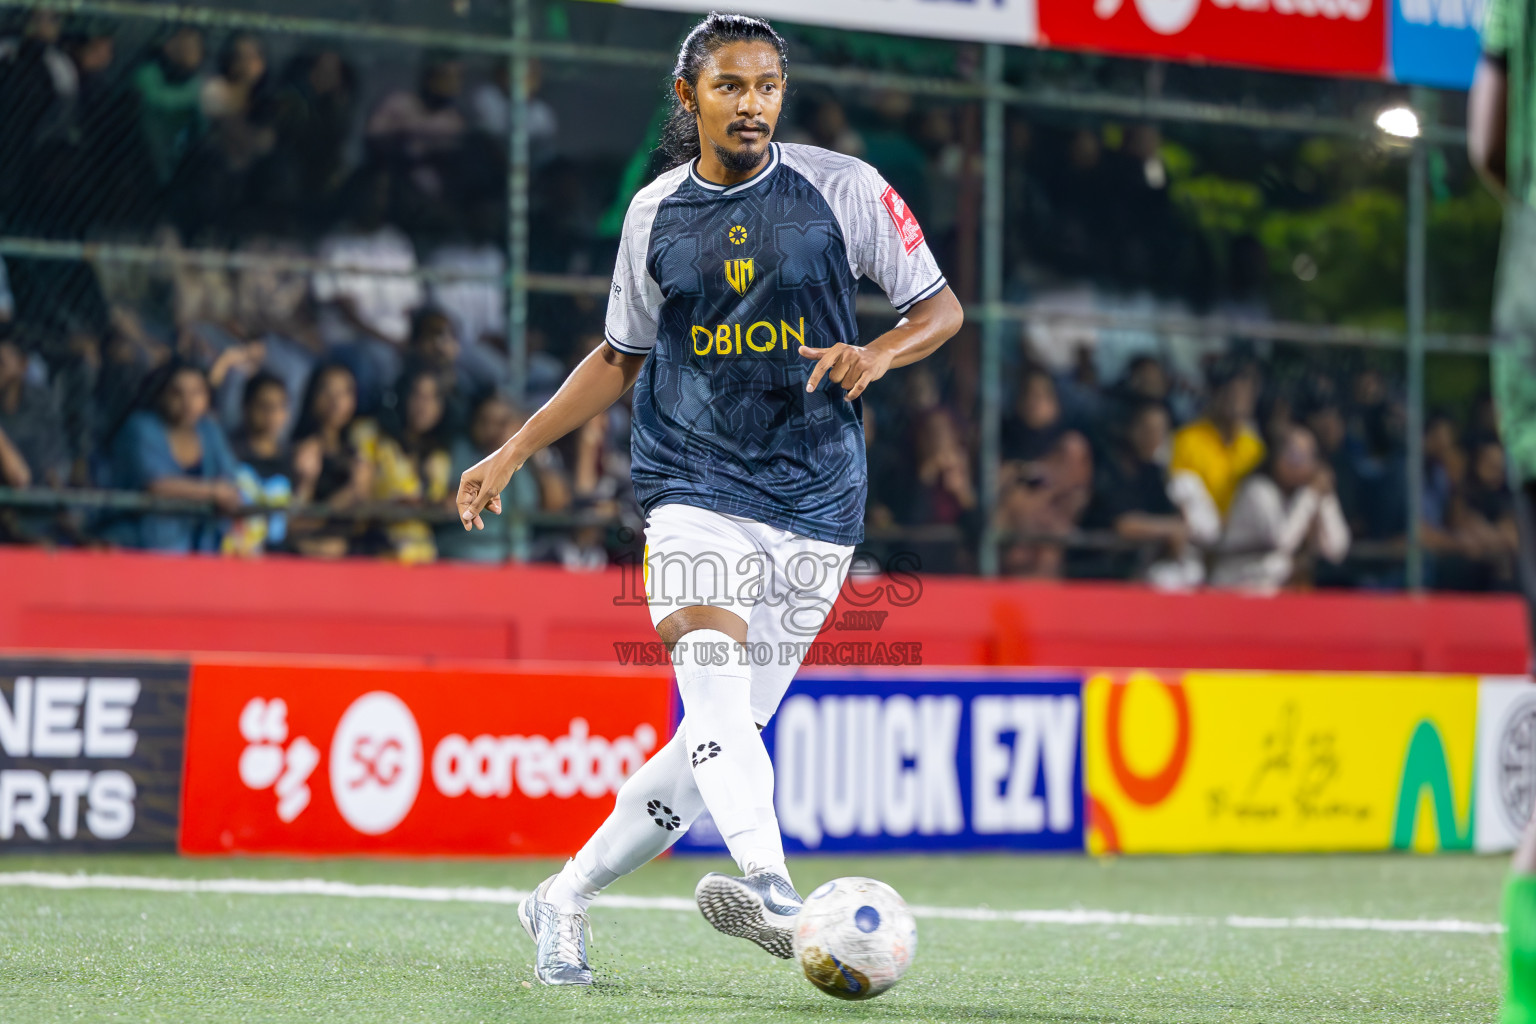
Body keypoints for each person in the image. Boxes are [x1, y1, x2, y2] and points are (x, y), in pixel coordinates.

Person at [453, 13, 962, 986]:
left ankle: (560, 896)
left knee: (711, 745)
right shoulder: (653, 215)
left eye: (768, 85)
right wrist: (514, 449)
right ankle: (774, 889)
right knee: (715, 684)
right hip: (690, 482)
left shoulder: (844, 190)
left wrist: (877, 352)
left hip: (818, 499)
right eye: (731, 86)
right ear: (688, 98)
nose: (754, 104)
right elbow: (617, 357)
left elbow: (939, 307)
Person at [105, 360, 241, 552]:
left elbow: (230, 480)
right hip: (142, 545)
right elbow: (156, 484)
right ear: (160, 395)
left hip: (203, 548)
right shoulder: (140, 427)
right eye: (177, 393)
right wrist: (213, 492)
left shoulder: (210, 430)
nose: (187, 402)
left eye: (196, 393)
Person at [1209, 423, 1350, 592]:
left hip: (1273, 592)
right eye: (1295, 455)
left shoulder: (1303, 494)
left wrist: (1326, 498)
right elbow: (1282, 541)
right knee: (1281, 566)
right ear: (1276, 455)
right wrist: (1310, 495)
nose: (1301, 464)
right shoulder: (1257, 490)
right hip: (1236, 586)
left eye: (1308, 456)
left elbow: (1336, 550)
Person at [1169, 360, 1265, 518]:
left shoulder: (1255, 447)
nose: (1237, 400)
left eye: (1245, 393)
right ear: (1214, 394)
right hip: (1197, 536)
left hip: (1243, 536)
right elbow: (1181, 497)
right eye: (1231, 392)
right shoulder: (1186, 439)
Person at [225, 371, 294, 555]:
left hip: (276, 557)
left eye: (280, 406)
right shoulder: (228, 453)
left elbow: (293, 515)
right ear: (246, 407)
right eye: (264, 406)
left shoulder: (292, 457)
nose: (272, 414)